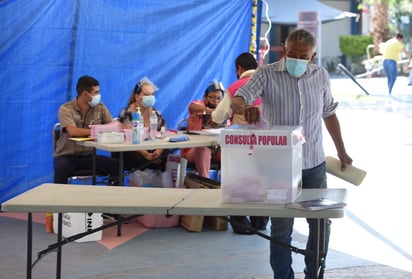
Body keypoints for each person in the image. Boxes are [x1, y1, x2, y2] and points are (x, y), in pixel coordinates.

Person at [232, 29, 352, 278]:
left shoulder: (320, 75)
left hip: (313, 163)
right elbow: (239, 98)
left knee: (321, 224)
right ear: (284, 50)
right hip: (279, 165)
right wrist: (245, 107)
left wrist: (342, 150)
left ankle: (313, 272)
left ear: (313, 55)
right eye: (291, 54)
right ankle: (283, 276)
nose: (297, 59)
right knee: (281, 227)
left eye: (303, 55)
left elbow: (329, 113)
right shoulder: (266, 73)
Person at [212, 52, 269, 234]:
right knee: (262, 180)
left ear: (239, 68)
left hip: (241, 143)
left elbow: (218, 116)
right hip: (266, 143)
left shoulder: (235, 87)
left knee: (239, 182)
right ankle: (260, 221)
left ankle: (240, 223)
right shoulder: (268, 84)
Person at [54, 75, 119, 184]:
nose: (99, 95)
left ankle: (113, 197)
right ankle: (59, 199)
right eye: (96, 92)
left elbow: (112, 127)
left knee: (117, 165)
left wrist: (119, 127)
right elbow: (72, 131)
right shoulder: (66, 109)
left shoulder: (100, 108)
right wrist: (97, 130)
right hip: (68, 156)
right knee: (61, 168)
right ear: (85, 94)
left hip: (89, 156)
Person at [114, 78, 170, 172]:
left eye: (152, 94)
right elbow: (127, 139)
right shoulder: (127, 113)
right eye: (146, 94)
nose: (150, 97)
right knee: (135, 158)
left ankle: (164, 185)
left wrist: (159, 152)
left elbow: (164, 133)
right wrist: (146, 155)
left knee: (168, 156)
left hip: (152, 148)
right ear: (137, 96)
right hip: (134, 150)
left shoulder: (156, 114)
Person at [180, 81, 224, 178]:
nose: (215, 101)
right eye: (212, 97)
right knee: (204, 146)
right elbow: (192, 107)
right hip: (193, 150)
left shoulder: (224, 111)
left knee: (230, 150)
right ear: (205, 97)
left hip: (215, 150)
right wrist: (209, 111)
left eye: (219, 98)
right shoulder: (200, 105)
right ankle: (205, 181)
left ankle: (231, 183)